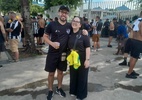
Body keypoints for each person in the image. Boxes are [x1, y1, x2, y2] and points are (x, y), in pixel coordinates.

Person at [43, 5, 88, 100]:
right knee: (51, 73)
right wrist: (52, 43)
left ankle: (59, 88)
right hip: (52, 53)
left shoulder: (69, 26)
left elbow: (77, 31)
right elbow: (45, 37)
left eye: (66, 13)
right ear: (59, 13)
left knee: (60, 72)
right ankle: (50, 90)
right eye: (62, 12)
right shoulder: (51, 25)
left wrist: (84, 31)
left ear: (67, 15)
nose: (64, 14)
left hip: (63, 54)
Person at [68, 16, 90, 100]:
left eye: (77, 21)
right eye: (74, 21)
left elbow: (87, 48)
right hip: (73, 58)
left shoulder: (84, 35)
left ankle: (81, 95)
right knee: (73, 75)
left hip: (82, 57)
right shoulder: (69, 34)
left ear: (80, 25)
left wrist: (87, 60)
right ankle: (73, 91)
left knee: (82, 77)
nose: (75, 22)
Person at [126, 11, 142, 79]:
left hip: (133, 40)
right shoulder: (141, 22)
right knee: (134, 58)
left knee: (133, 57)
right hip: (138, 41)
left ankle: (131, 70)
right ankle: (129, 73)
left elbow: (130, 29)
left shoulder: (137, 21)